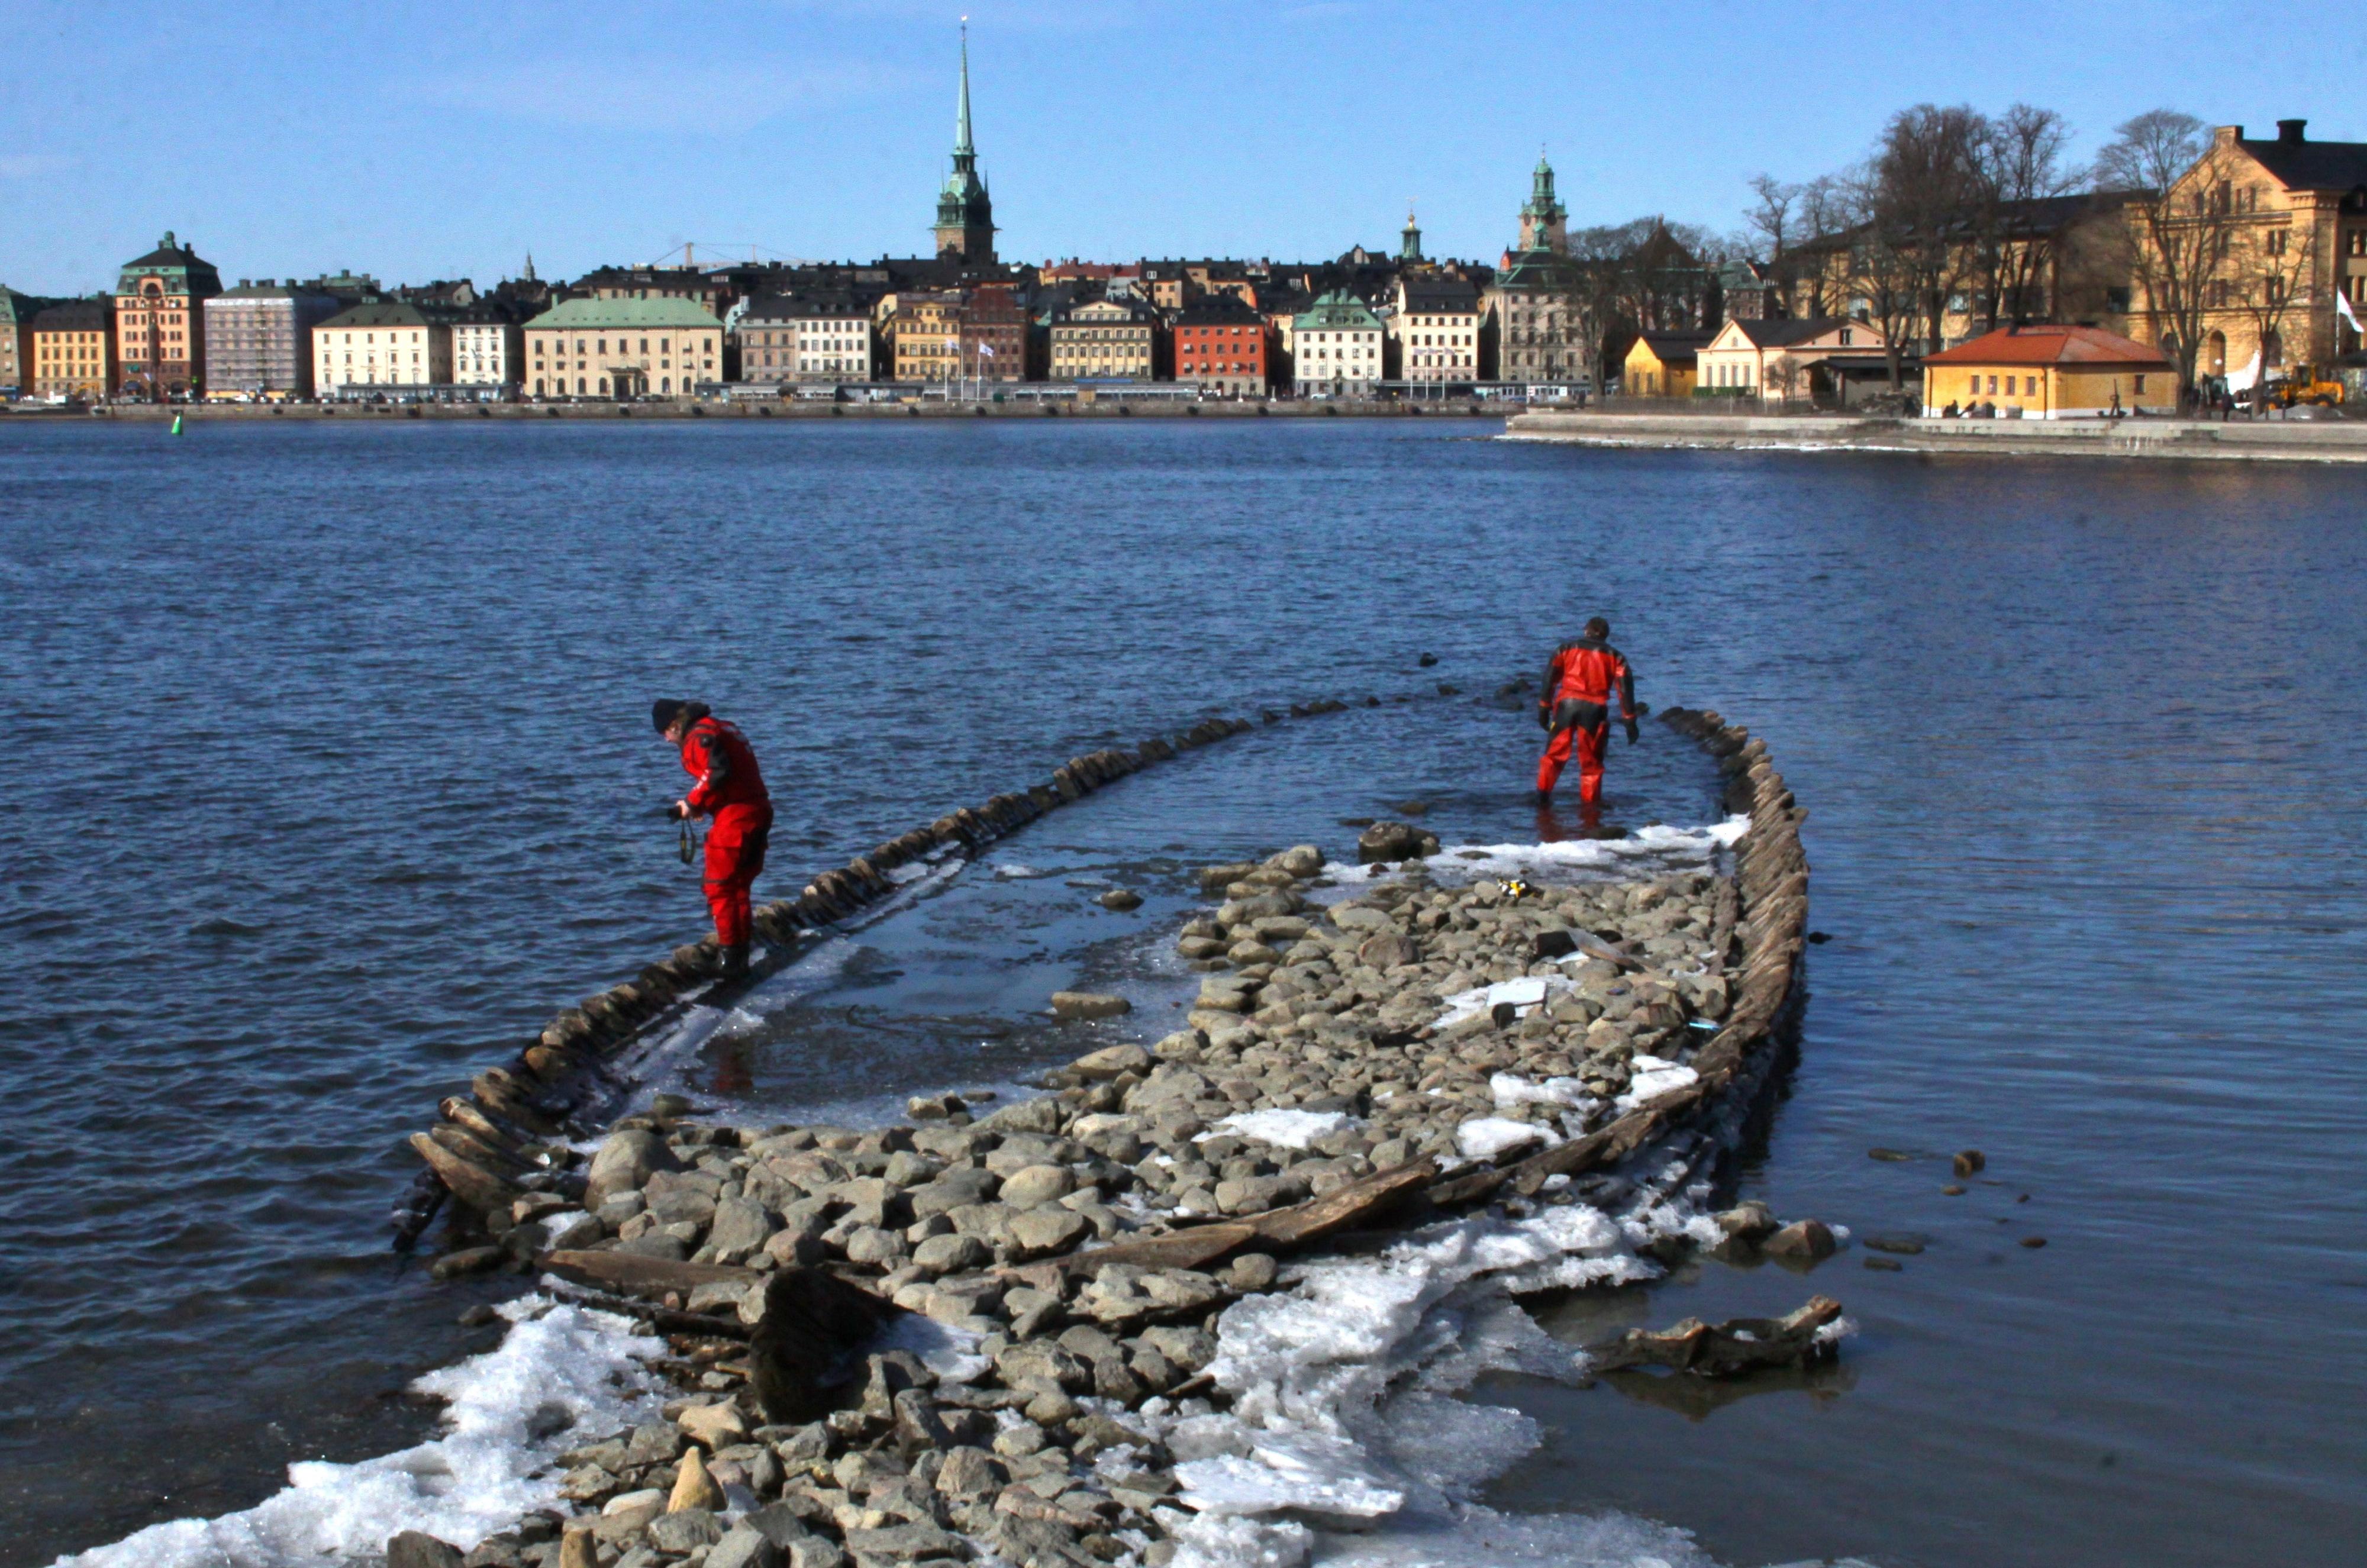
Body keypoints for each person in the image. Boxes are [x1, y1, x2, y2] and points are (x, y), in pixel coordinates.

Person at [652, 699, 772, 978]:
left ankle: (731, 961)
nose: (667, 740)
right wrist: (702, 805)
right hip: (757, 810)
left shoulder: (700, 736)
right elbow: (730, 776)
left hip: (737, 818)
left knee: (719, 887)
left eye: (665, 733)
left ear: (675, 725)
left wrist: (692, 802)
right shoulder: (721, 727)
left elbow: (717, 772)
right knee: (738, 887)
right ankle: (738, 958)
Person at [1534, 618, 1639, 807]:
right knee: (1591, 763)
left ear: (1586, 631)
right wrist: (1630, 722)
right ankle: (1590, 809)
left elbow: (1550, 679)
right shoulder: (1616, 657)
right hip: (1594, 710)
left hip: (1566, 706)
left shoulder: (1565, 649)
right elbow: (1625, 691)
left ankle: (1542, 798)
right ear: (1606, 636)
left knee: (1554, 755)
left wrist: (1544, 707)